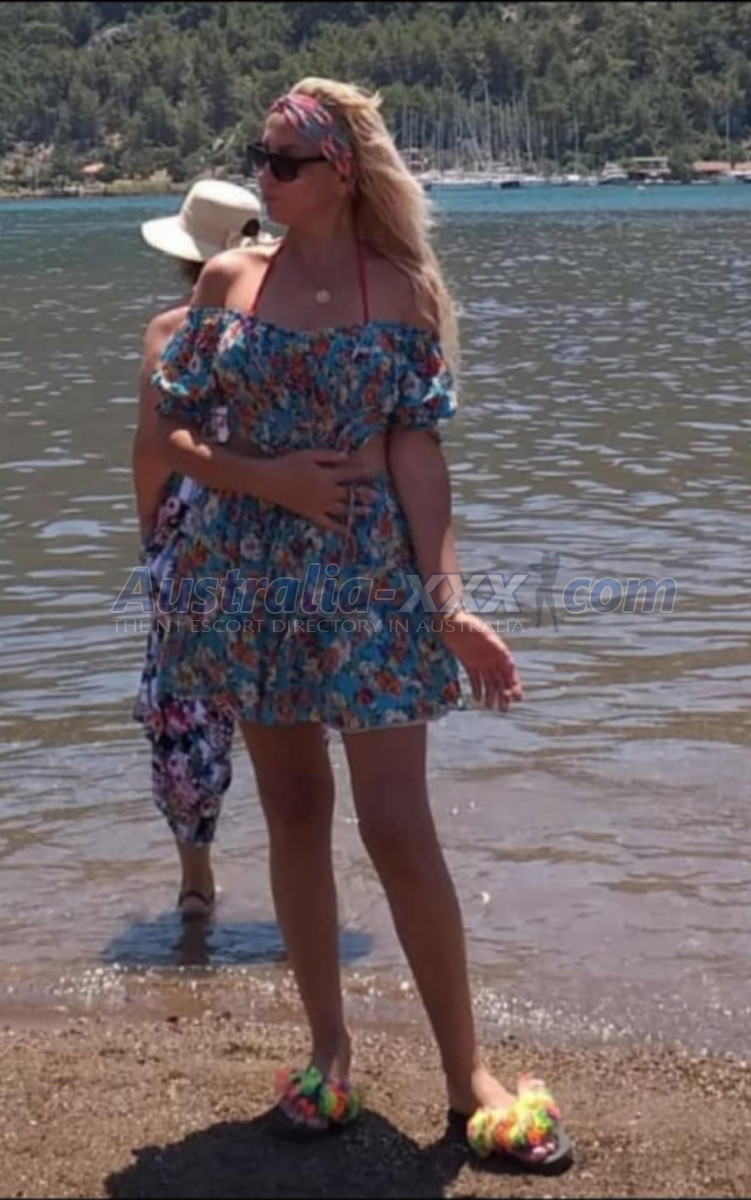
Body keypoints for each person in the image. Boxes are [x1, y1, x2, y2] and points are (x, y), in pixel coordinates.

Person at [150, 81, 573, 1167]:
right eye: (259, 156)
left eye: (282, 160)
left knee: (396, 826)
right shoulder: (228, 281)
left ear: (341, 173)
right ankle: (327, 1056)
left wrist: (450, 602)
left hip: (372, 585)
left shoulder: (403, 292)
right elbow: (174, 435)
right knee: (294, 809)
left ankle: (467, 1077)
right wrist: (272, 480)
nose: (263, 175)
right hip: (250, 575)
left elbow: (415, 455)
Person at [132, 178, 371, 920]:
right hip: (293, 526)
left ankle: (196, 879)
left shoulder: (170, 330)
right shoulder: (295, 323)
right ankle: (307, 878)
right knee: (295, 703)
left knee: (185, 711)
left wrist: (152, 534)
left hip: (197, 530)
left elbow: (152, 450)